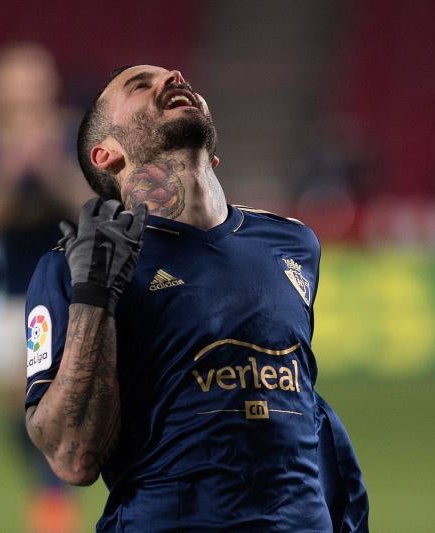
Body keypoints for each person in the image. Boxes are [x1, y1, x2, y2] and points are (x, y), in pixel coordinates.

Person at [24, 65, 369, 532]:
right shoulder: (75, 268)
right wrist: (93, 298)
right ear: (106, 154)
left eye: (167, 73)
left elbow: (299, 400)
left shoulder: (292, 243)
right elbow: (71, 458)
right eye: (139, 85)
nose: (170, 76)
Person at [0, 42, 90, 533]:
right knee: (17, 398)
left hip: (76, 285)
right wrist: (10, 173)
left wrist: (52, 169)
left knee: (73, 394)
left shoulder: (77, 134)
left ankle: (57, 494)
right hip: (13, 290)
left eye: (32, 82)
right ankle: (49, 484)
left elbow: (95, 210)